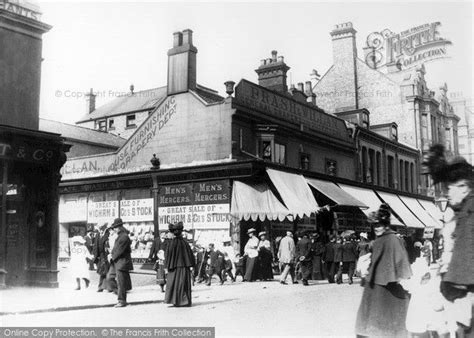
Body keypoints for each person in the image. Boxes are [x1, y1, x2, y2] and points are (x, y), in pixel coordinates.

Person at [355, 203, 412, 337]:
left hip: (389, 285)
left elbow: (400, 260)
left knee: (387, 317)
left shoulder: (393, 239)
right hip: (375, 284)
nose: (377, 228)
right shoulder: (378, 240)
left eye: (379, 225)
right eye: (375, 225)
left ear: (386, 225)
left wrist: (401, 277)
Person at [165, 222, 195, 307]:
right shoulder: (185, 243)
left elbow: (168, 256)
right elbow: (190, 255)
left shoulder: (171, 243)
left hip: (174, 267)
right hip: (184, 267)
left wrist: (167, 266)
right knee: (183, 283)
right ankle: (184, 301)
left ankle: (176, 301)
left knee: (174, 284)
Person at [110, 218, 133, 308]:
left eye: (115, 227)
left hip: (122, 263)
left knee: (121, 282)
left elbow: (120, 250)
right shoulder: (121, 236)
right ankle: (121, 297)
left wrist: (112, 257)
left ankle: (121, 301)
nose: (114, 229)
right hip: (120, 263)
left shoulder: (123, 237)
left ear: (119, 227)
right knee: (119, 282)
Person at [93, 223, 110, 292]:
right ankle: (102, 286)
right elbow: (95, 246)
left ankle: (106, 287)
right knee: (102, 271)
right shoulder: (98, 235)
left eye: (102, 228)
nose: (101, 229)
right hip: (100, 256)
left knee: (106, 271)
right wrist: (95, 255)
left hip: (106, 255)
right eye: (100, 228)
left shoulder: (108, 234)